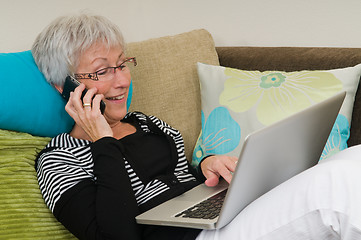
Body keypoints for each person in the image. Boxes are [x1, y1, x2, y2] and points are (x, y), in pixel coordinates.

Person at [33, 13, 361, 240]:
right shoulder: (59, 159)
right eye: (102, 71)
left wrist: (206, 165)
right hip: (192, 238)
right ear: (65, 86)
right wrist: (103, 141)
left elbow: (181, 186)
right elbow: (116, 234)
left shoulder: (148, 125)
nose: (121, 81)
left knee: (354, 159)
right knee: (334, 186)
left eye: (122, 64)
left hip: (220, 220)